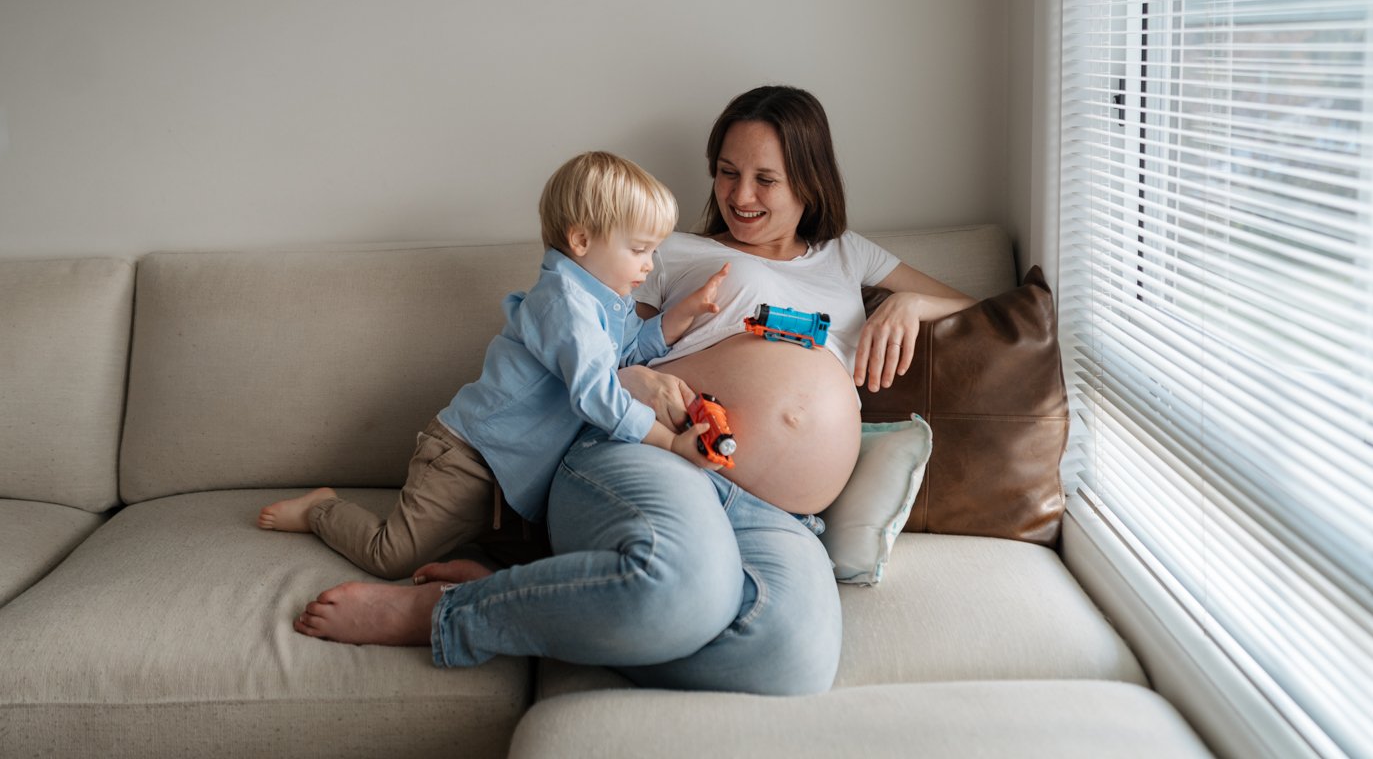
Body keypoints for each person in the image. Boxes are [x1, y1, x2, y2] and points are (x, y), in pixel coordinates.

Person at [292, 86, 976, 696]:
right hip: (656, 457)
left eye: (766, 179)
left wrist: (907, 306)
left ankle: (550, 597)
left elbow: (965, 302)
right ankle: (443, 616)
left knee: (790, 658)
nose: (740, 197)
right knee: (687, 591)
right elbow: (586, 352)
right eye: (728, 173)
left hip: (780, 514)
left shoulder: (850, 256)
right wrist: (641, 380)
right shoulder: (665, 250)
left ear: (810, 183)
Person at [258, 150, 729, 580]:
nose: (649, 266)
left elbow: (624, 355)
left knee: (541, 558)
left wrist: (683, 314)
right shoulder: (563, 305)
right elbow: (595, 394)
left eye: (653, 251)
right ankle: (321, 509)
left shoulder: (602, 304)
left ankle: (467, 559)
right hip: (466, 456)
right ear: (582, 240)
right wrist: (668, 442)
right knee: (391, 556)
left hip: (508, 476)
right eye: (639, 249)